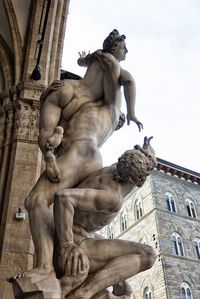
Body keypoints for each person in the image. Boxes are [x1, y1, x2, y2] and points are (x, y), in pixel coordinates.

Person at [19, 29, 143, 281]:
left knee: (36, 202)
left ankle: (44, 267)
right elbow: (125, 79)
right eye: (123, 48)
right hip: (87, 155)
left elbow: (97, 64)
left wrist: (88, 58)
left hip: (78, 151)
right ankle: (56, 262)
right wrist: (131, 112)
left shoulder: (71, 91)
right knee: (59, 210)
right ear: (115, 48)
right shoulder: (109, 106)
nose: (126, 52)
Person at [53, 137, 157, 299]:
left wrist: (147, 154)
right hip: (77, 242)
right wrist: (67, 245)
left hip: (82, 236)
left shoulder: (114, 169)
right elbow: (63, 198)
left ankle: (99, 291)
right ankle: (83, 293)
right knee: (148, 255)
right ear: (138, 181)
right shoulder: (113, 198)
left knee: (124, 280)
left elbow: (142, 161)